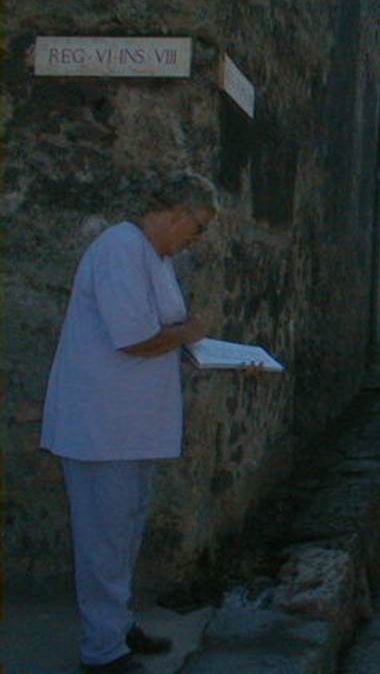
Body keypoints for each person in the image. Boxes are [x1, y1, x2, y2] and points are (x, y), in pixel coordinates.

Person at [41, 171, 219, 673]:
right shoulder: (121, 248)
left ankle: (115, 628)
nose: (197, 239)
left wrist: (198, 347)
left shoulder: (153, 257)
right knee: (103, 540)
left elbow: (160, 333)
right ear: (174, 214)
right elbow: (135, 338)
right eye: (198, 226)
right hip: (102, 427)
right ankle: (102, 654)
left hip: (131, 427)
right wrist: (187, 334)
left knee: (122, 534)